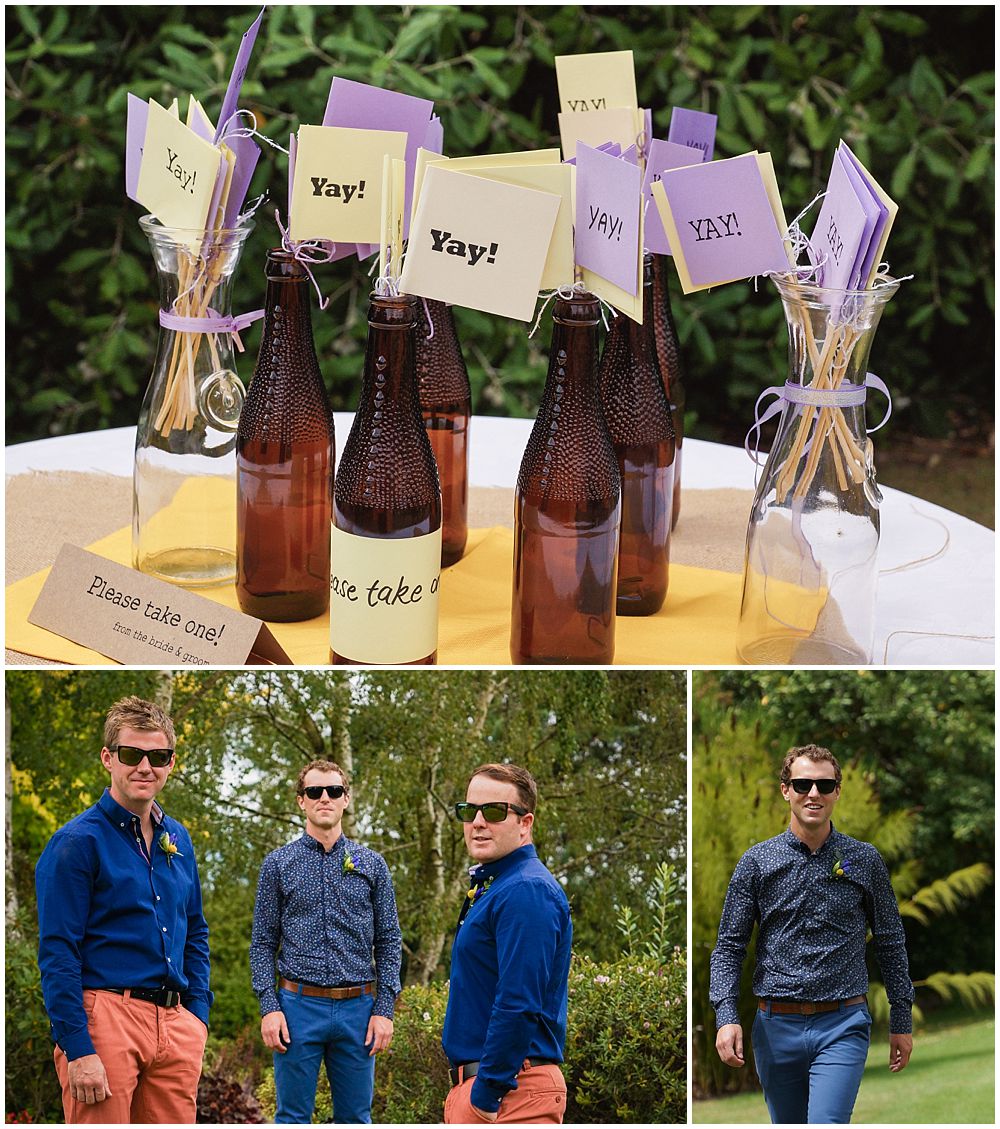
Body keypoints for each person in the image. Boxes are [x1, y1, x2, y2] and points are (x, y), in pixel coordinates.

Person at [710, 744, 915, 1124]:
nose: (814, 794)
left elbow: (890, 940)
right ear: (785, 789)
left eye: (824, 785)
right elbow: (728, 948)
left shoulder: (863, 860)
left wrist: (901, 1019)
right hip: (775, 1029)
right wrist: (725, 1015)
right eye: (803, 784)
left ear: (838, 790)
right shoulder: (756, 863)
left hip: (843, 1023)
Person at [34, 696, 211, 1124]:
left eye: (158, 756)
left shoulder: (179, 839)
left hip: (175, 1026)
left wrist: (197, 1019)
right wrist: (79, 1048)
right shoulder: (77, 843)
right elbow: (58, 952)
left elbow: (196, 932)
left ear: (171, 762)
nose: (145, 767)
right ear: (108, 758)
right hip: (106, 1020)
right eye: (132, 754)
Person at [250, 760, 402, 1124]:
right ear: (301, 801)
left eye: (333, 791)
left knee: (355, 1119)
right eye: (314, 791)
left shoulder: (372, 865)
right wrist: (269, 1007)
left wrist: (384, 1010)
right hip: (297, 1007)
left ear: (346, 799)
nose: (324, 798)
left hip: (359, 1009)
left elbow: (390, 940)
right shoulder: (278, 864)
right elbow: (262, 942)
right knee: (291, 1118)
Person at [441, 762, 572, 1124]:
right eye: (469, 811)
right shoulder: (499, 885)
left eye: (495, 811)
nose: (478, 822)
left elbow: (519, 1000)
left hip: (512, 1095)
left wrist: (486, 1095)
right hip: (494, 1092)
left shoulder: (526, 890)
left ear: (525, 824)